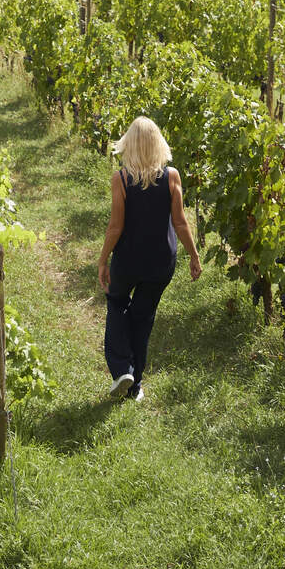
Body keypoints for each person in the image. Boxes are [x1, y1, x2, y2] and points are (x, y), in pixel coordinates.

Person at [98, 115, 200, 400]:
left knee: (117, 303)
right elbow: (180, 223)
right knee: (142, 318)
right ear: (158, 144)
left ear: (128, 145)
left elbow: (116, 226)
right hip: (160, 262)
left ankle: (122, 369)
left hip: (128, 259)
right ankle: (136, 386)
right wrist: (194, 255)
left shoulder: (120, 179)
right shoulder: (172, 176)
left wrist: (103, 259)